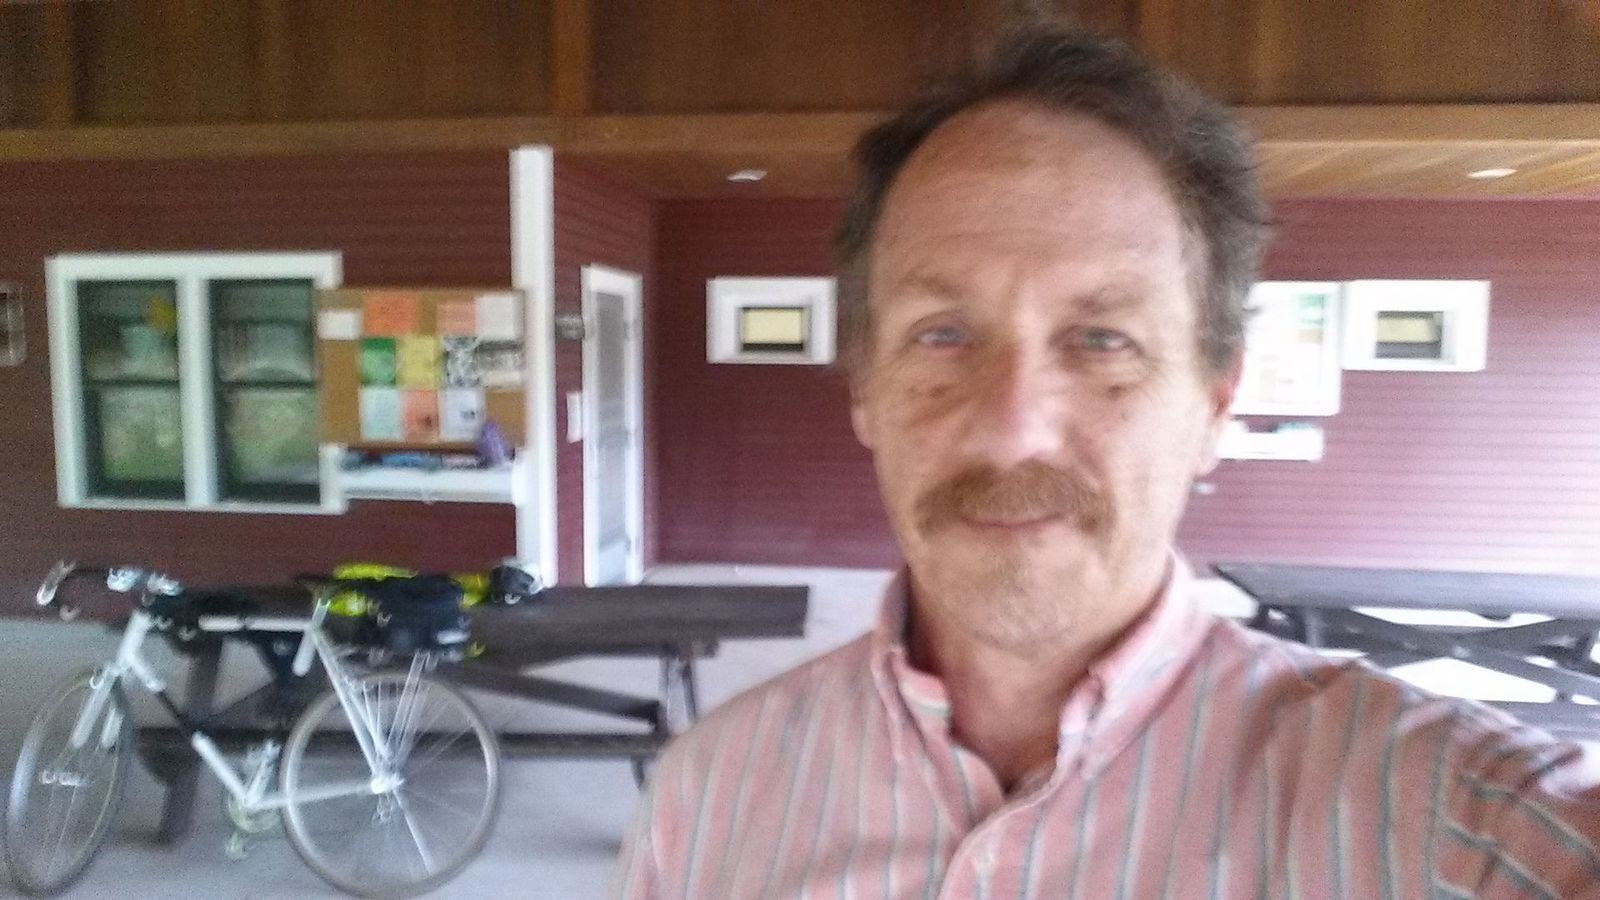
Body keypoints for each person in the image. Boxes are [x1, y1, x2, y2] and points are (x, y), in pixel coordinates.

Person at [612, 22, 1600, 900]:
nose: (1012, 430)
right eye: (943, 335)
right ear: (866, 389)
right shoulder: (706, 794)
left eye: (1102, 341)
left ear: (1214, 401)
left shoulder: (1464, 833)